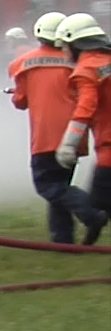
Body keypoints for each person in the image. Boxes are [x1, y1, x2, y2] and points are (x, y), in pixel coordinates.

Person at [7, 11, 106, 245]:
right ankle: (62, 239)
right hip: (74, 134)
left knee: (47, 185)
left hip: (44, 136)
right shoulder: (77, 62)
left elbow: (21, 102)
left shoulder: (23, 63)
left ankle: (91, 213)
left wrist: (18, 93)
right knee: (60, 187)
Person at [55, 13, 111, 225]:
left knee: (99, 204)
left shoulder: (86, 70)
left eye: (64, 46)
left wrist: (68, 144)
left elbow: (85, 108)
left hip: (109, 147)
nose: (63, 51)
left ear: (75, 43)